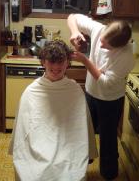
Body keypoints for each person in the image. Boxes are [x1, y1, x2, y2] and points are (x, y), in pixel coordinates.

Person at [9, 40, 97, 181]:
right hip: (38, 145)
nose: (55, 73)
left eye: (60, 70)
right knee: (31, 170)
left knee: (70, 171)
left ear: (67, 63)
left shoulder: (74, 90)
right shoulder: (31, 91)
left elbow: (80, 128)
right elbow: (23, 129)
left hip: (67, 145)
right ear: (43, 63)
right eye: (51, 70)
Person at [67, 14, 135, 180]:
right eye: (102, 40)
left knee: (108, 139)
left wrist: (85, 61)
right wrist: (75, 32)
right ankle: (81, 168)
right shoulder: (99, 29)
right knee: (85, 132)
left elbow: (104, 83)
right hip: (91, 93)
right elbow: (72, 16)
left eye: (106, 46)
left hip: (111, 100)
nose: (101, 44)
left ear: (120, 47)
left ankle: (109, 174)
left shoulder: (127, 57)